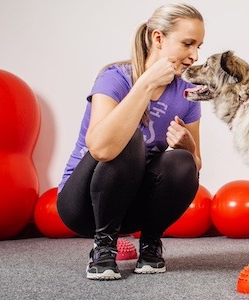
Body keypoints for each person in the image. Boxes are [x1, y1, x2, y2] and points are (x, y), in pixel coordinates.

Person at [57, 3, 205, 280]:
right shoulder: (114, 78)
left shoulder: (187, 92)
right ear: (158, 38)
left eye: (199, 46)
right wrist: (146, 84)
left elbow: (196, 166)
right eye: (187, 44)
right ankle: (103, 247)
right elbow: (101, 148)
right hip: (83, 205)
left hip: (133, 206)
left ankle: (150, 244)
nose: (194, 56)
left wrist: (189, 148)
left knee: (182, 161)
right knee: (128, 139)